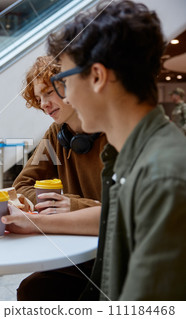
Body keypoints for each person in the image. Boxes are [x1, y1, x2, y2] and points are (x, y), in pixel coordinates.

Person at [47, 0, 186, 300]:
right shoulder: (123, 160)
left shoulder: (163, 178)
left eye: (63, 81)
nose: (66, 96)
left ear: (97, 76)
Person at [2, 56, 107, 300]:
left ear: (70, 84)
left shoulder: (114, 130)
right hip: (78, 255)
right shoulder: (56, 133)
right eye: (39, 99)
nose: (44, 105)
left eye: (48, 93)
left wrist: (75, 205)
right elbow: (21, 187)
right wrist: (57, 201)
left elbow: (124, 212)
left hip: (116, 256)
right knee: (32, 290)